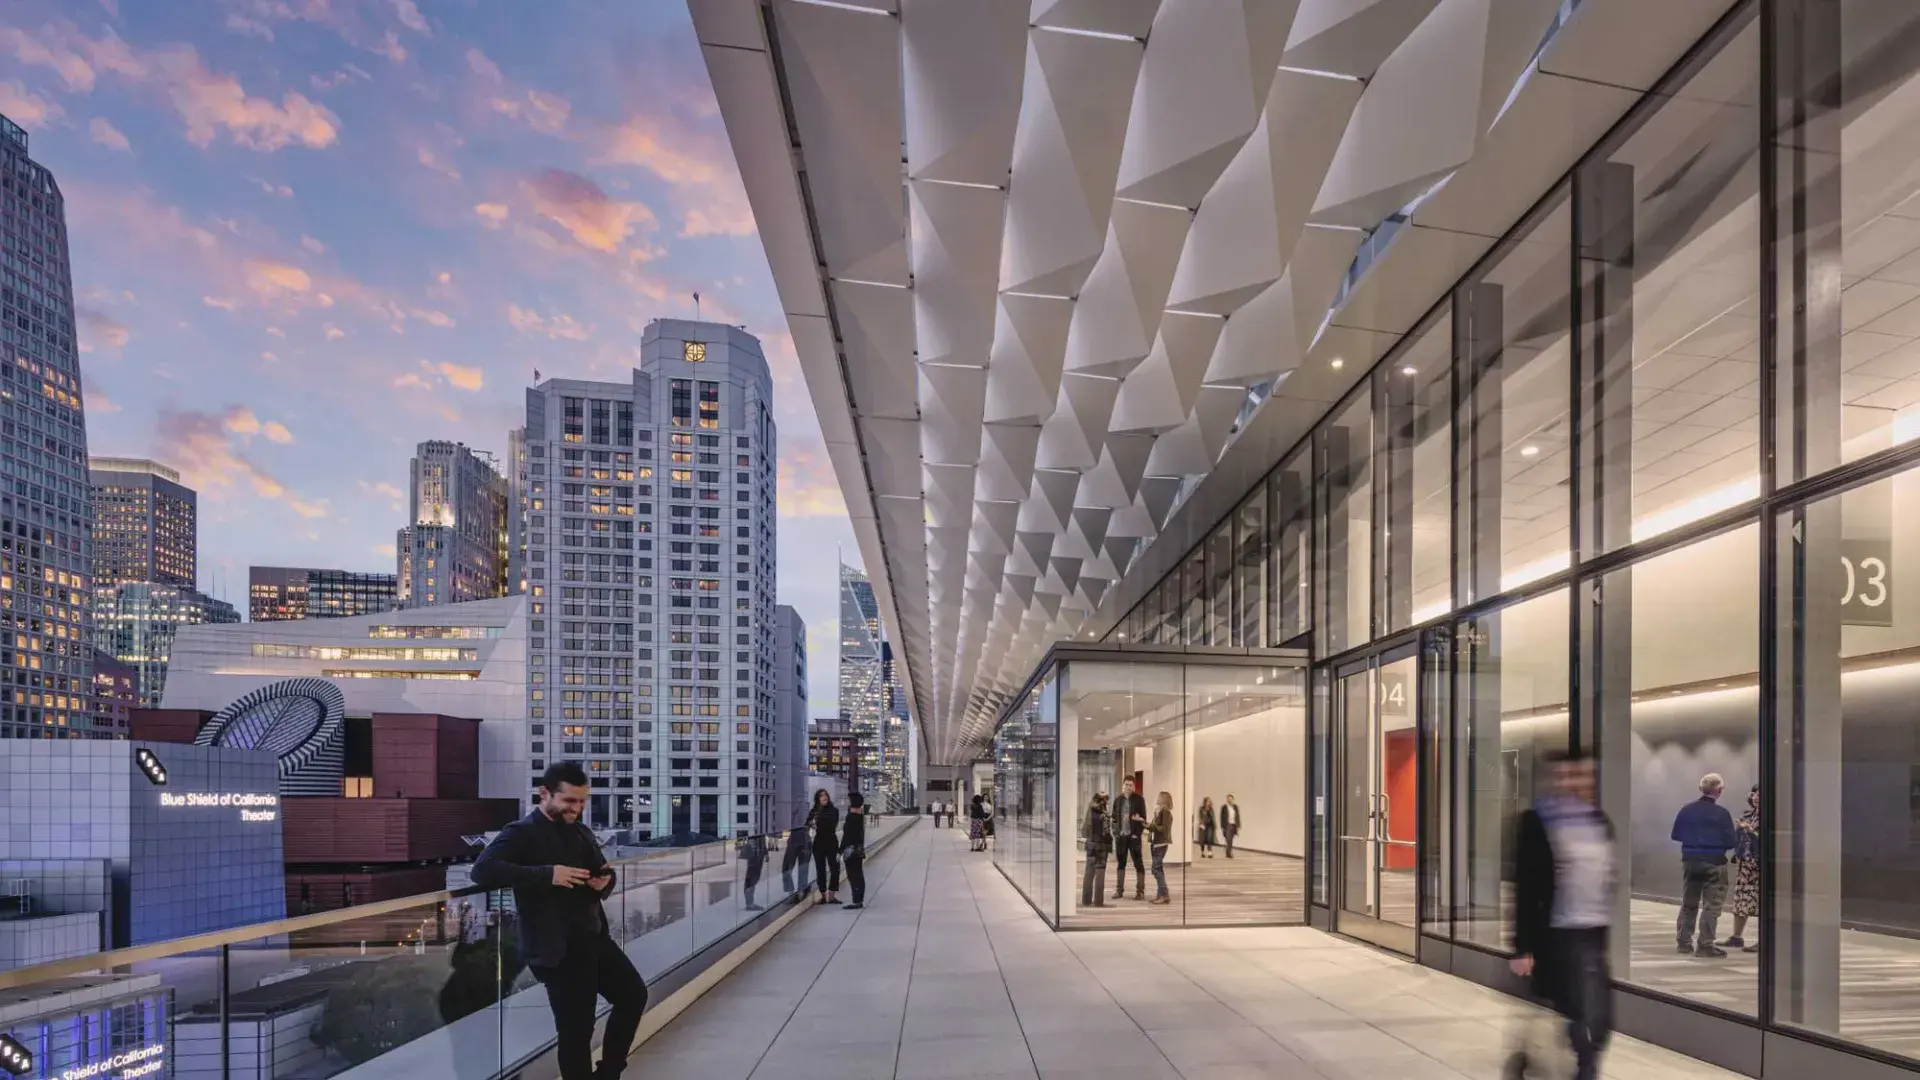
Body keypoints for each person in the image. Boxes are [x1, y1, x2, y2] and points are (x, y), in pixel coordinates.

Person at [472, 762, 648, 1080]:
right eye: (569, 801)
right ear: (545, 794)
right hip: (557, 950)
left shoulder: (580, 831)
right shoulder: (521, 833)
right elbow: (482, 871)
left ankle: (608, 1073)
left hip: (593, 939)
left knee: (633, 995)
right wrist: (548, 874)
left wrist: (604, 882)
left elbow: (604, 871)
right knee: (577, 1031)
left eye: (582, 801)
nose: (577, 809)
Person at [1508, 750, 1615, 1080]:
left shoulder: (1598, 821)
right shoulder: (1538, 821)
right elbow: (1525, 888)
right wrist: (1522, 947)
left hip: (1593, 932)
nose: (1573, 782)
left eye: (1580, 775)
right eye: (1566, 776)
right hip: (1559, 934)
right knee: (1584, 1013)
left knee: (1599, 1018)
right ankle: (1583, 1071)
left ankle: (1572, 1064)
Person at [1671, 772, 1737, 958]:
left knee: (1689, 903)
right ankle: (1705, 945)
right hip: (1714, 862)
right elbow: (1731, 842)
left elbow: (1675, 835)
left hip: (1691, 861)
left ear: (1701, 789)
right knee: (1712, 906)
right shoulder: (1722, 814)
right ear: (1720, 790)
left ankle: (1683, 943)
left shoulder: (1687, 810)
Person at [1723, 785, 1760, 953]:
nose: (1756, 797)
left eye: (1760, 794)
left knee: (1761, 902)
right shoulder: (1748, 815)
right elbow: (1738, 841)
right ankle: (1736, 937)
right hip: (1746, 864)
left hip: (1761, 865)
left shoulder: (1774, 817)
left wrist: (1750, 831)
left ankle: (1764, 939)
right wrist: (1739, 830)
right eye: (1754, 794)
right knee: (1741, 899)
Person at [1112, 779, 1147, 901]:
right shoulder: (1118, 800)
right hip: (1121, 837)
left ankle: (1140, 891)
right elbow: (1114, 819)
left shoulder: (1139, 800)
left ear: (1134, 786)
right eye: (1126, 784)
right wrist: (1116, 833)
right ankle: (1119, 891)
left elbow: (1143, 819)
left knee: (1139, 864)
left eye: (1130, 785)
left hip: (1134, 837)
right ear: (1123, 785)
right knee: (1121, 864)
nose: (1128, 787)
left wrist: (1137, 834)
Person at [808, 788, 841, 904]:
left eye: (825, 795)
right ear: (818, 799)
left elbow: (832, 825)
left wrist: (817, 824)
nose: (824, 797)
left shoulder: (834, 810)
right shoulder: (814, 811)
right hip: (819, 843)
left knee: (835, 869)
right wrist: (812, 825)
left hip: (832, 842)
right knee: (820, 870)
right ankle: (823, 895)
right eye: (821, 796)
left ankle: (831, 895)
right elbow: (807, 822)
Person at [1082, 793, 1111, 909]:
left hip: (1090, 845)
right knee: (1100, 873)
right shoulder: (1104, 815)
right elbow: (1106, 833)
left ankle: (1086, 900)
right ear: (1103, 801)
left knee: (1089, 873)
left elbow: (1083, 831)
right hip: (1101, 847)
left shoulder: (1089, 812)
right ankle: (1098, 902)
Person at [841, 792, 867, 909]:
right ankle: (859, 900)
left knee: (853, 875)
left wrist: (839, 850)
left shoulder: (851, 817)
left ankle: (856, 901)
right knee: (859, 874)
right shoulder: (860, 817)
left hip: (850, 851)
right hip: (858, 850)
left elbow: (846, 836)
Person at [1148, 791, 1174, 905]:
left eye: (1159, 797)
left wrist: (1152, 825)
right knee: (1156, 869)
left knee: (1157, 869)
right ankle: (1161, 895)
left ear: (1163, 799)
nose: (1157, 798)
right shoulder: (1160, 811)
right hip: (1156, 843)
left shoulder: (1166, 812)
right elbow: (1155, 827)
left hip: (1160, 844)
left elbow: (1163, 829)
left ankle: (1165, 894)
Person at [780, 810, 812, 894]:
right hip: (799, 841)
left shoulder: (801, 809)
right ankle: (796, 891)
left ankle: (798, 891)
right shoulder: (796, 809)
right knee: (789, 869)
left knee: (799, 869)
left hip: (802, 842)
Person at [740, 832, 767, 910]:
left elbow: (762, 840)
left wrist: (765, 853)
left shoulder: (760, 828)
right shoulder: (754, 830)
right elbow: (752, 842)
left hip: (758, 856)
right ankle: (749, 904)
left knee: (754, 879)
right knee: (751, 879)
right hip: (754, 857)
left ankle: (750, 903)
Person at [1221, 794, 1242, 859]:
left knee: (1231, 839)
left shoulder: (1235, 807)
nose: (1230, 800)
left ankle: (1228, 853)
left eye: (1231, 799)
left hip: (1234, 824)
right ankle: (1229, 853)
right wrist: (1222, 826)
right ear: (1227, 799)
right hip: (1227, 825)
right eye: (1229, 799)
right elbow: (1222, 817)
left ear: (1233, 799)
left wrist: (1238, 825)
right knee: (1228, 839)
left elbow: (1237, 816)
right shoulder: (1224, 807)